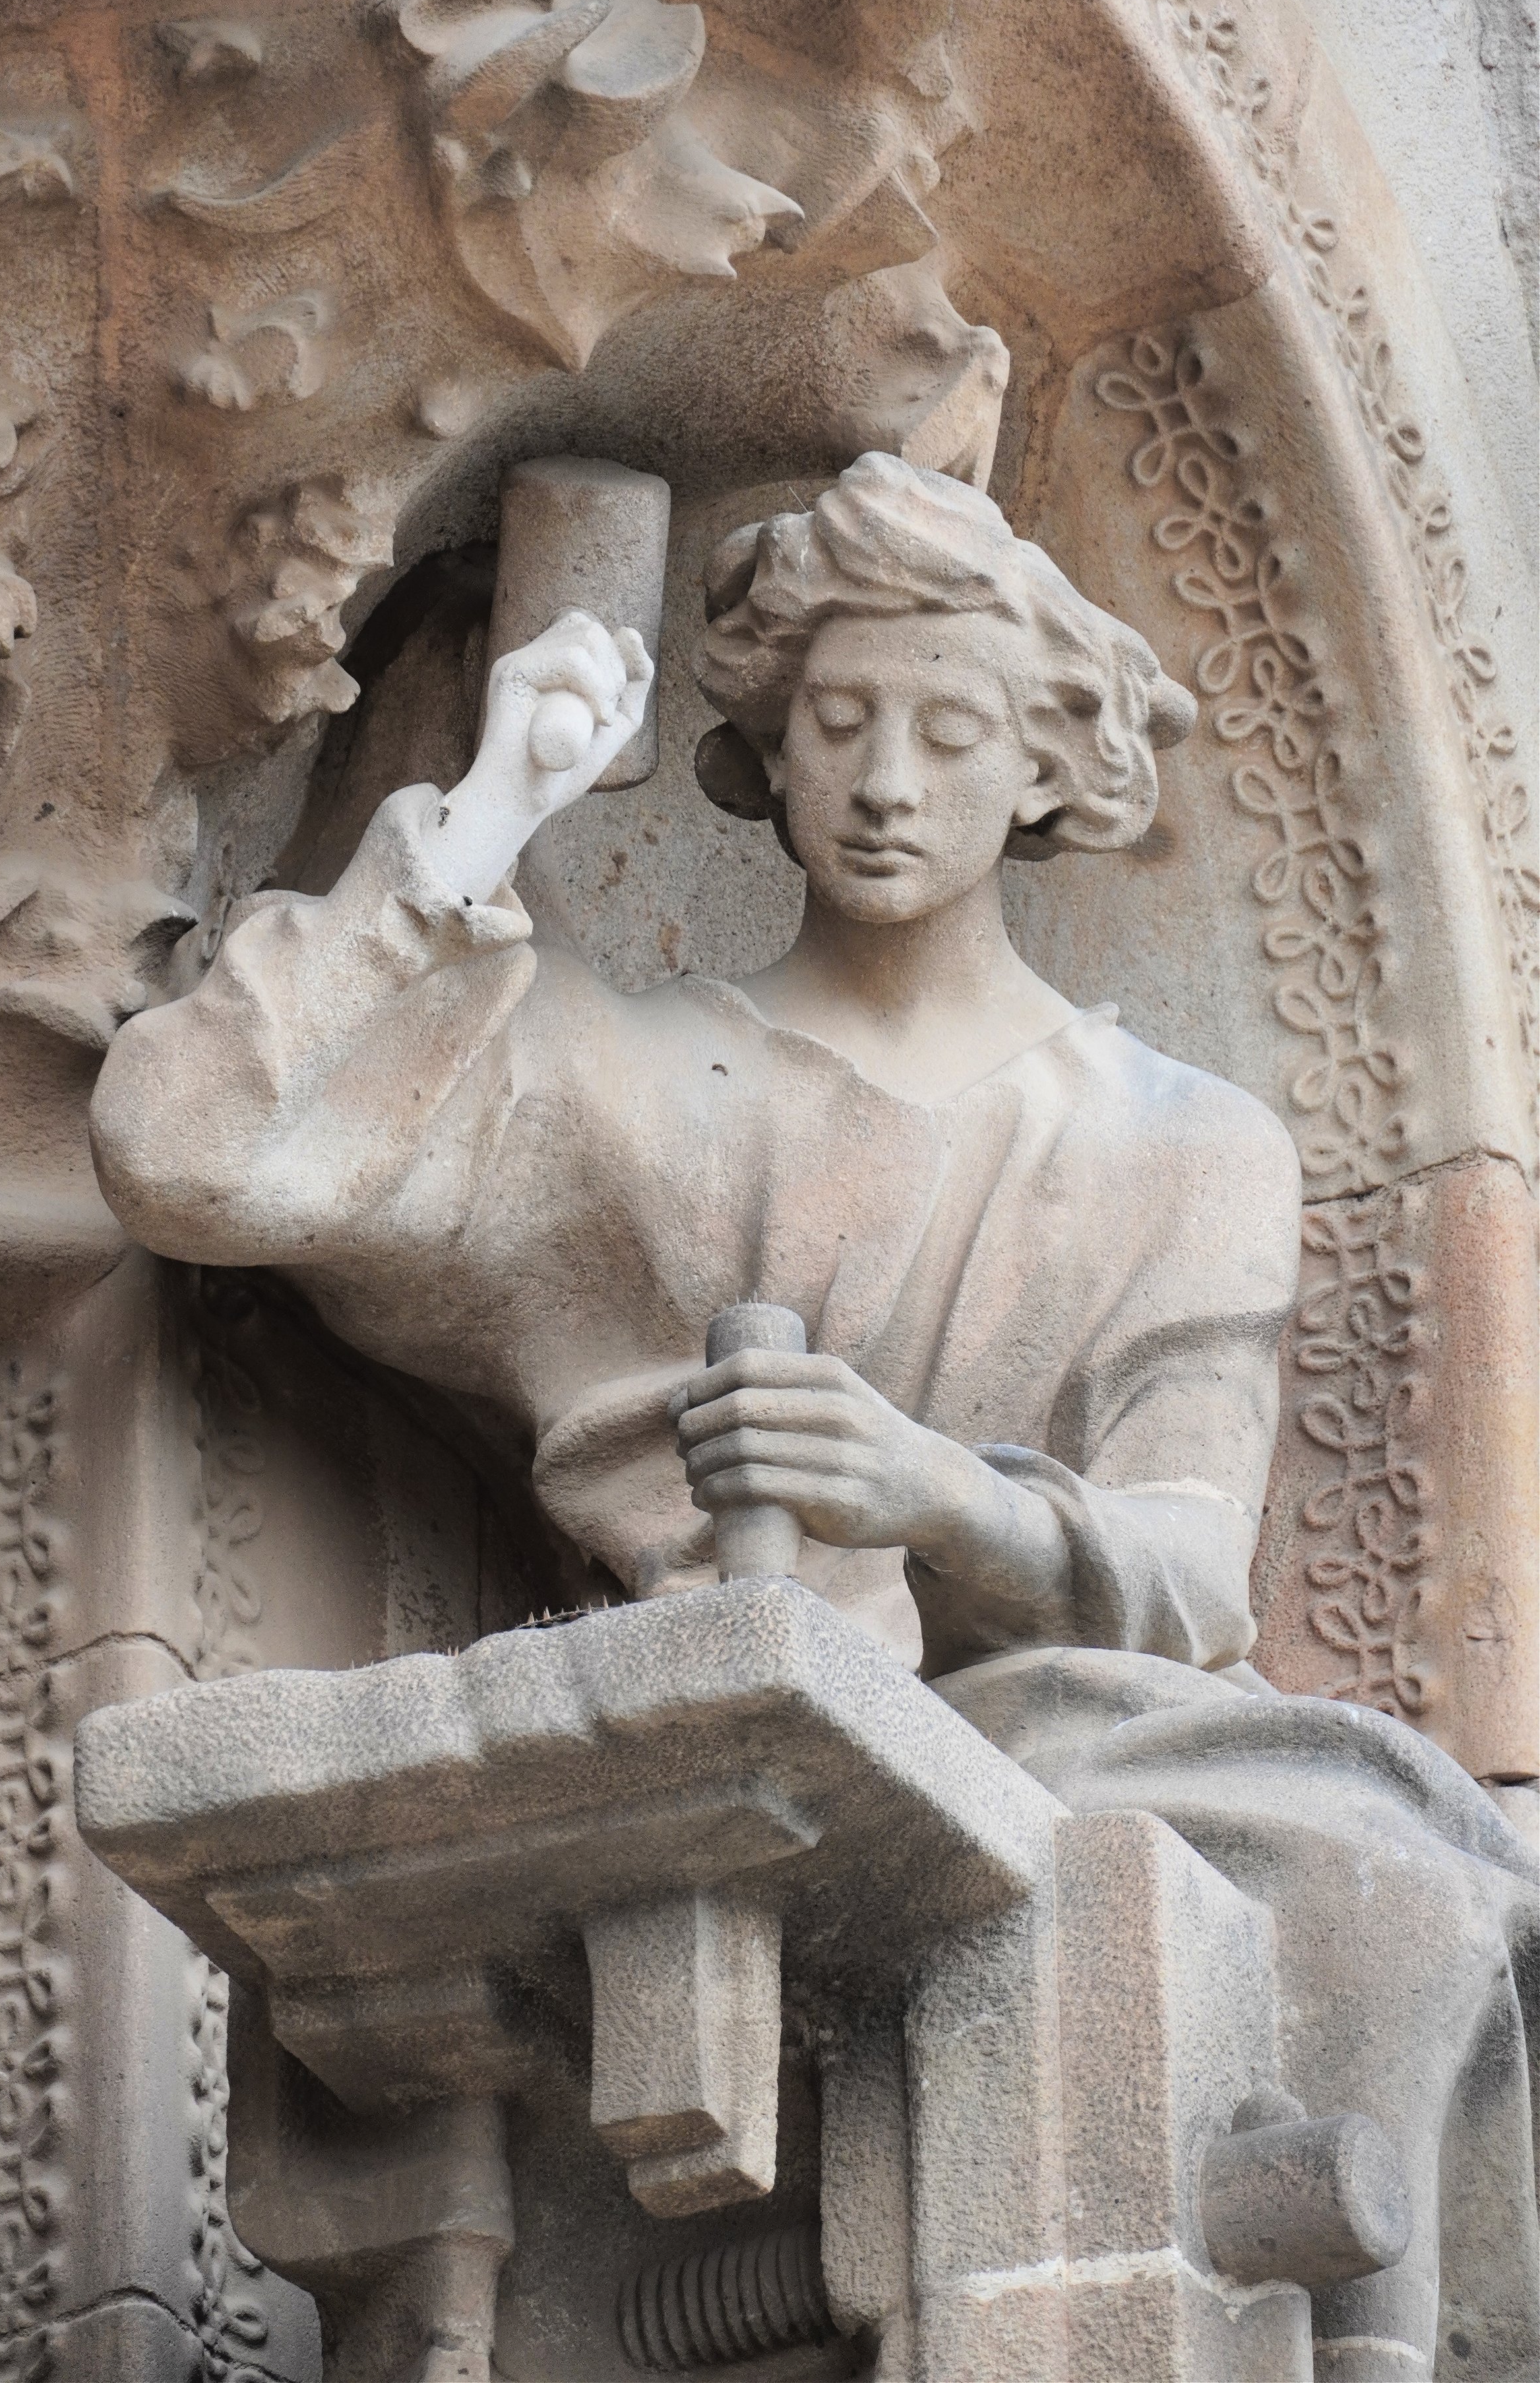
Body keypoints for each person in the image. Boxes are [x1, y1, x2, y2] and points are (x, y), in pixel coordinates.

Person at [91, 452, 1537, 2376]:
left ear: (1044, 766)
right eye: (837, 721)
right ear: (764, 748)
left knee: (1413, 1899)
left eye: (950, 731)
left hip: (1087, 1736)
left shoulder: (1188, 1145)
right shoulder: (642, 1085)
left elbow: (1187, 1570)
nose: (883, 779)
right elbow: (191, 1149)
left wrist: (934, 1492)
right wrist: (492, 806)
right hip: (751, 1765)